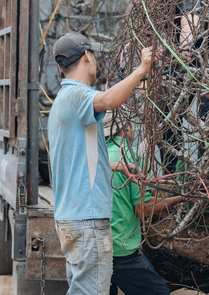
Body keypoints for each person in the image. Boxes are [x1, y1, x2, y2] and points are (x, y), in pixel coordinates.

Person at [47, 31, 158, 295]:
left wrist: (115, 166)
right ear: (87, 56)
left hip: (72, 219)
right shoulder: (77, 96)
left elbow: (76, 164)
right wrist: (142, 69)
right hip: (87, 221)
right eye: (94, 56)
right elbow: (108, 100)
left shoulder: (62, 102)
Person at [117, 0, 209, 172]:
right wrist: (145, 77)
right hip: (181, 58)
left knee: (207, 118)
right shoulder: (145, 6)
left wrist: (172, 53)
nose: (138, 2)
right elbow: (146, 45)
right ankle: (171, 176)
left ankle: (205, 181)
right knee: (165, 109)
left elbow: (189, 32)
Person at [103, 110, 187, 295]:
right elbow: (143, 210)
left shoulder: (100, 154)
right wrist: (180, 198)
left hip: (99, 247)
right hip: (121, 251)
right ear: (126, 129)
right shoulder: (129, 156)